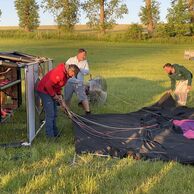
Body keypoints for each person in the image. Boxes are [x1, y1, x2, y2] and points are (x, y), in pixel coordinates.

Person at [36, 63, 80, 138]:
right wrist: (54, 95)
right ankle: (50, 136)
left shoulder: (67, 75)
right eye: (73, 74)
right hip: (44, 90)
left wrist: (59, 96)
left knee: (55, 113)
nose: (73, 76)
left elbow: (58, 85)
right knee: (50, 114)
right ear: (70, 70)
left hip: (51, 90)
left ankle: (55, 132)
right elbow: (48, 85)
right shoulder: (60, 73)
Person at [64, 48, 91, 114]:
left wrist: (80, 69)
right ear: (79, 54)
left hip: (79, 83)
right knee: (67, 97)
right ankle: (67, 111)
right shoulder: (71, 59)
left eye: (85, 55)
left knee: (83, 96)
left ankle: (88, 111)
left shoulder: (85, 62)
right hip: (69, 82)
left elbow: (87, 72)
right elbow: (65, 66)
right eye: (83, 55)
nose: (84, 57)